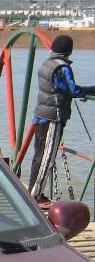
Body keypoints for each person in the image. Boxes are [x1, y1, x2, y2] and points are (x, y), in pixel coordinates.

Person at [28, 34, 95, 207]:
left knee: (38, 155)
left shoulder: (46, 64)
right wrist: (91, 90)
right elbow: (71, 89)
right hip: (53, 116)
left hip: (41, 113)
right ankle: (35, 197)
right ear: (68, 52)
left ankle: (33, 192)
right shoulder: (62, 67)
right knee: (47, 156)